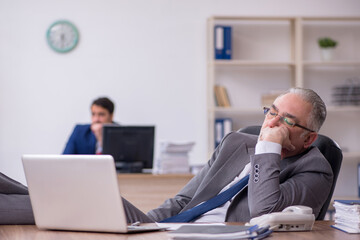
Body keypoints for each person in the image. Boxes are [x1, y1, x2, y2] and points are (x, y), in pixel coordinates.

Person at [121, 87, 333, 223]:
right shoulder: (234, 142)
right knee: (109, 207)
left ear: (308, 139)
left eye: (287, 121)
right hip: (179, 232)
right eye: (272, 112)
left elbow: (264, 210)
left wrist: (269, 148)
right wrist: (144, 227)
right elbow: (184, 201)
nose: (271, 123)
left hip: (224, 236)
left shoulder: (315, 170)